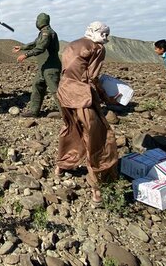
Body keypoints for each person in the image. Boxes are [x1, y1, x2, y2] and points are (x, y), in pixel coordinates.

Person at [56, 21, 118, 206]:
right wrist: (106, 96)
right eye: (103, 34)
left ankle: (61, 165)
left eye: (107, 35)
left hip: (64, 92)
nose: (105, 38)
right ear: (93, 32)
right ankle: (97, 187)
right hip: (82, 96)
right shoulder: (97, 48)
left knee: (71, 128)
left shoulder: (72, 44)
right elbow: (93, 77)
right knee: (97, 137)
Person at [14, 13, 62, 117]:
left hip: (51, 67)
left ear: (41, 21)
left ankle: (66, 114)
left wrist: (26, 55)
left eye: (37, 20)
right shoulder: (42, 33)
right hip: (43, 67)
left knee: (55, 90)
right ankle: (34, 111)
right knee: (37, 86)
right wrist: (22, 47)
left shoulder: (47, 33)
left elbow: (40, 47)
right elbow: (34, 44)